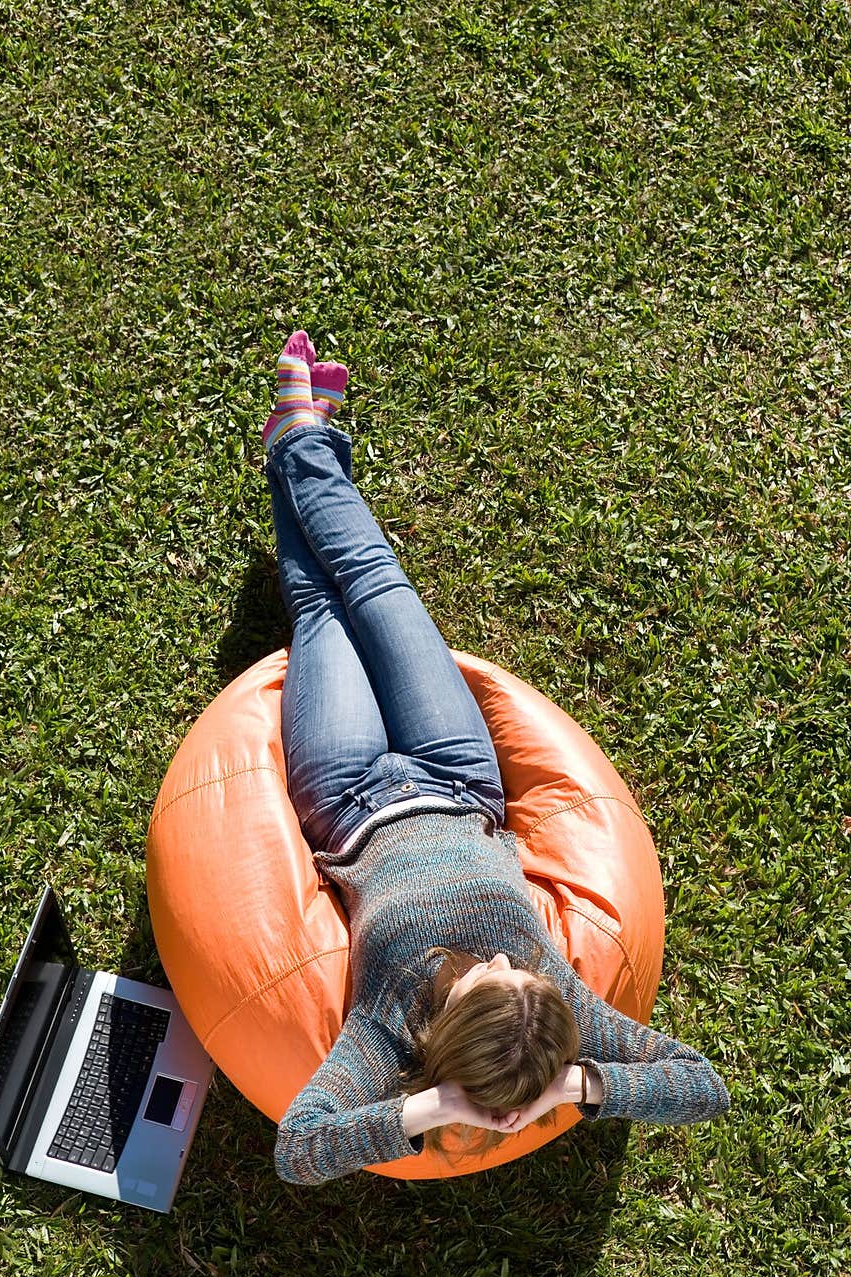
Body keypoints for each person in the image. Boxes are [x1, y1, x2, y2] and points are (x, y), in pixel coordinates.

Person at [261, 329, 730, 1187]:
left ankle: (299, 439)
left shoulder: (386, 1026)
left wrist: (434, 1111)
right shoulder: (552, 997)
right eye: (523, 971)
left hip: (352, 799)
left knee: (322, 610)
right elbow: (702, 1085)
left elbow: (300, 1149)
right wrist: (579, 1083)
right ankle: (302, 441)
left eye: (493, 978)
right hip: (459, 778)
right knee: (379, 583)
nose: (512, 961)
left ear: (446, 1032)